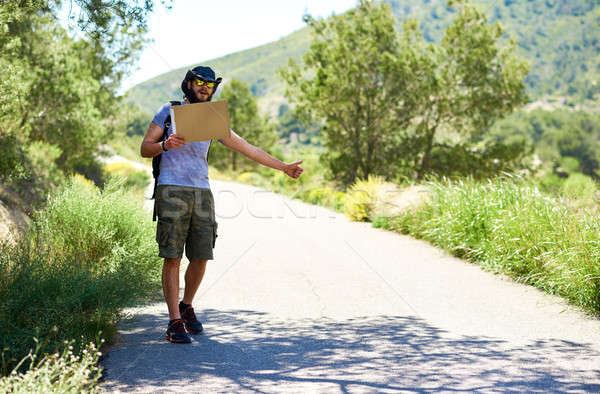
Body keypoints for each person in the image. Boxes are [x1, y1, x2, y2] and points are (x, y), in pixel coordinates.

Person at [140, 65, 303, 343]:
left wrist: (283, 167)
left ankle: (186, 305)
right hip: (171, 189)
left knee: (202, 254)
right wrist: (166, 145)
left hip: (202, 191)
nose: (205, 87)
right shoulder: (168, 111)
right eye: (200, 82)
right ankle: (174, 322)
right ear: (189, 84)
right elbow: (145, 148)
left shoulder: (211, 119)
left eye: (210, 84)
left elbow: (248, 148)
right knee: (172, 256)